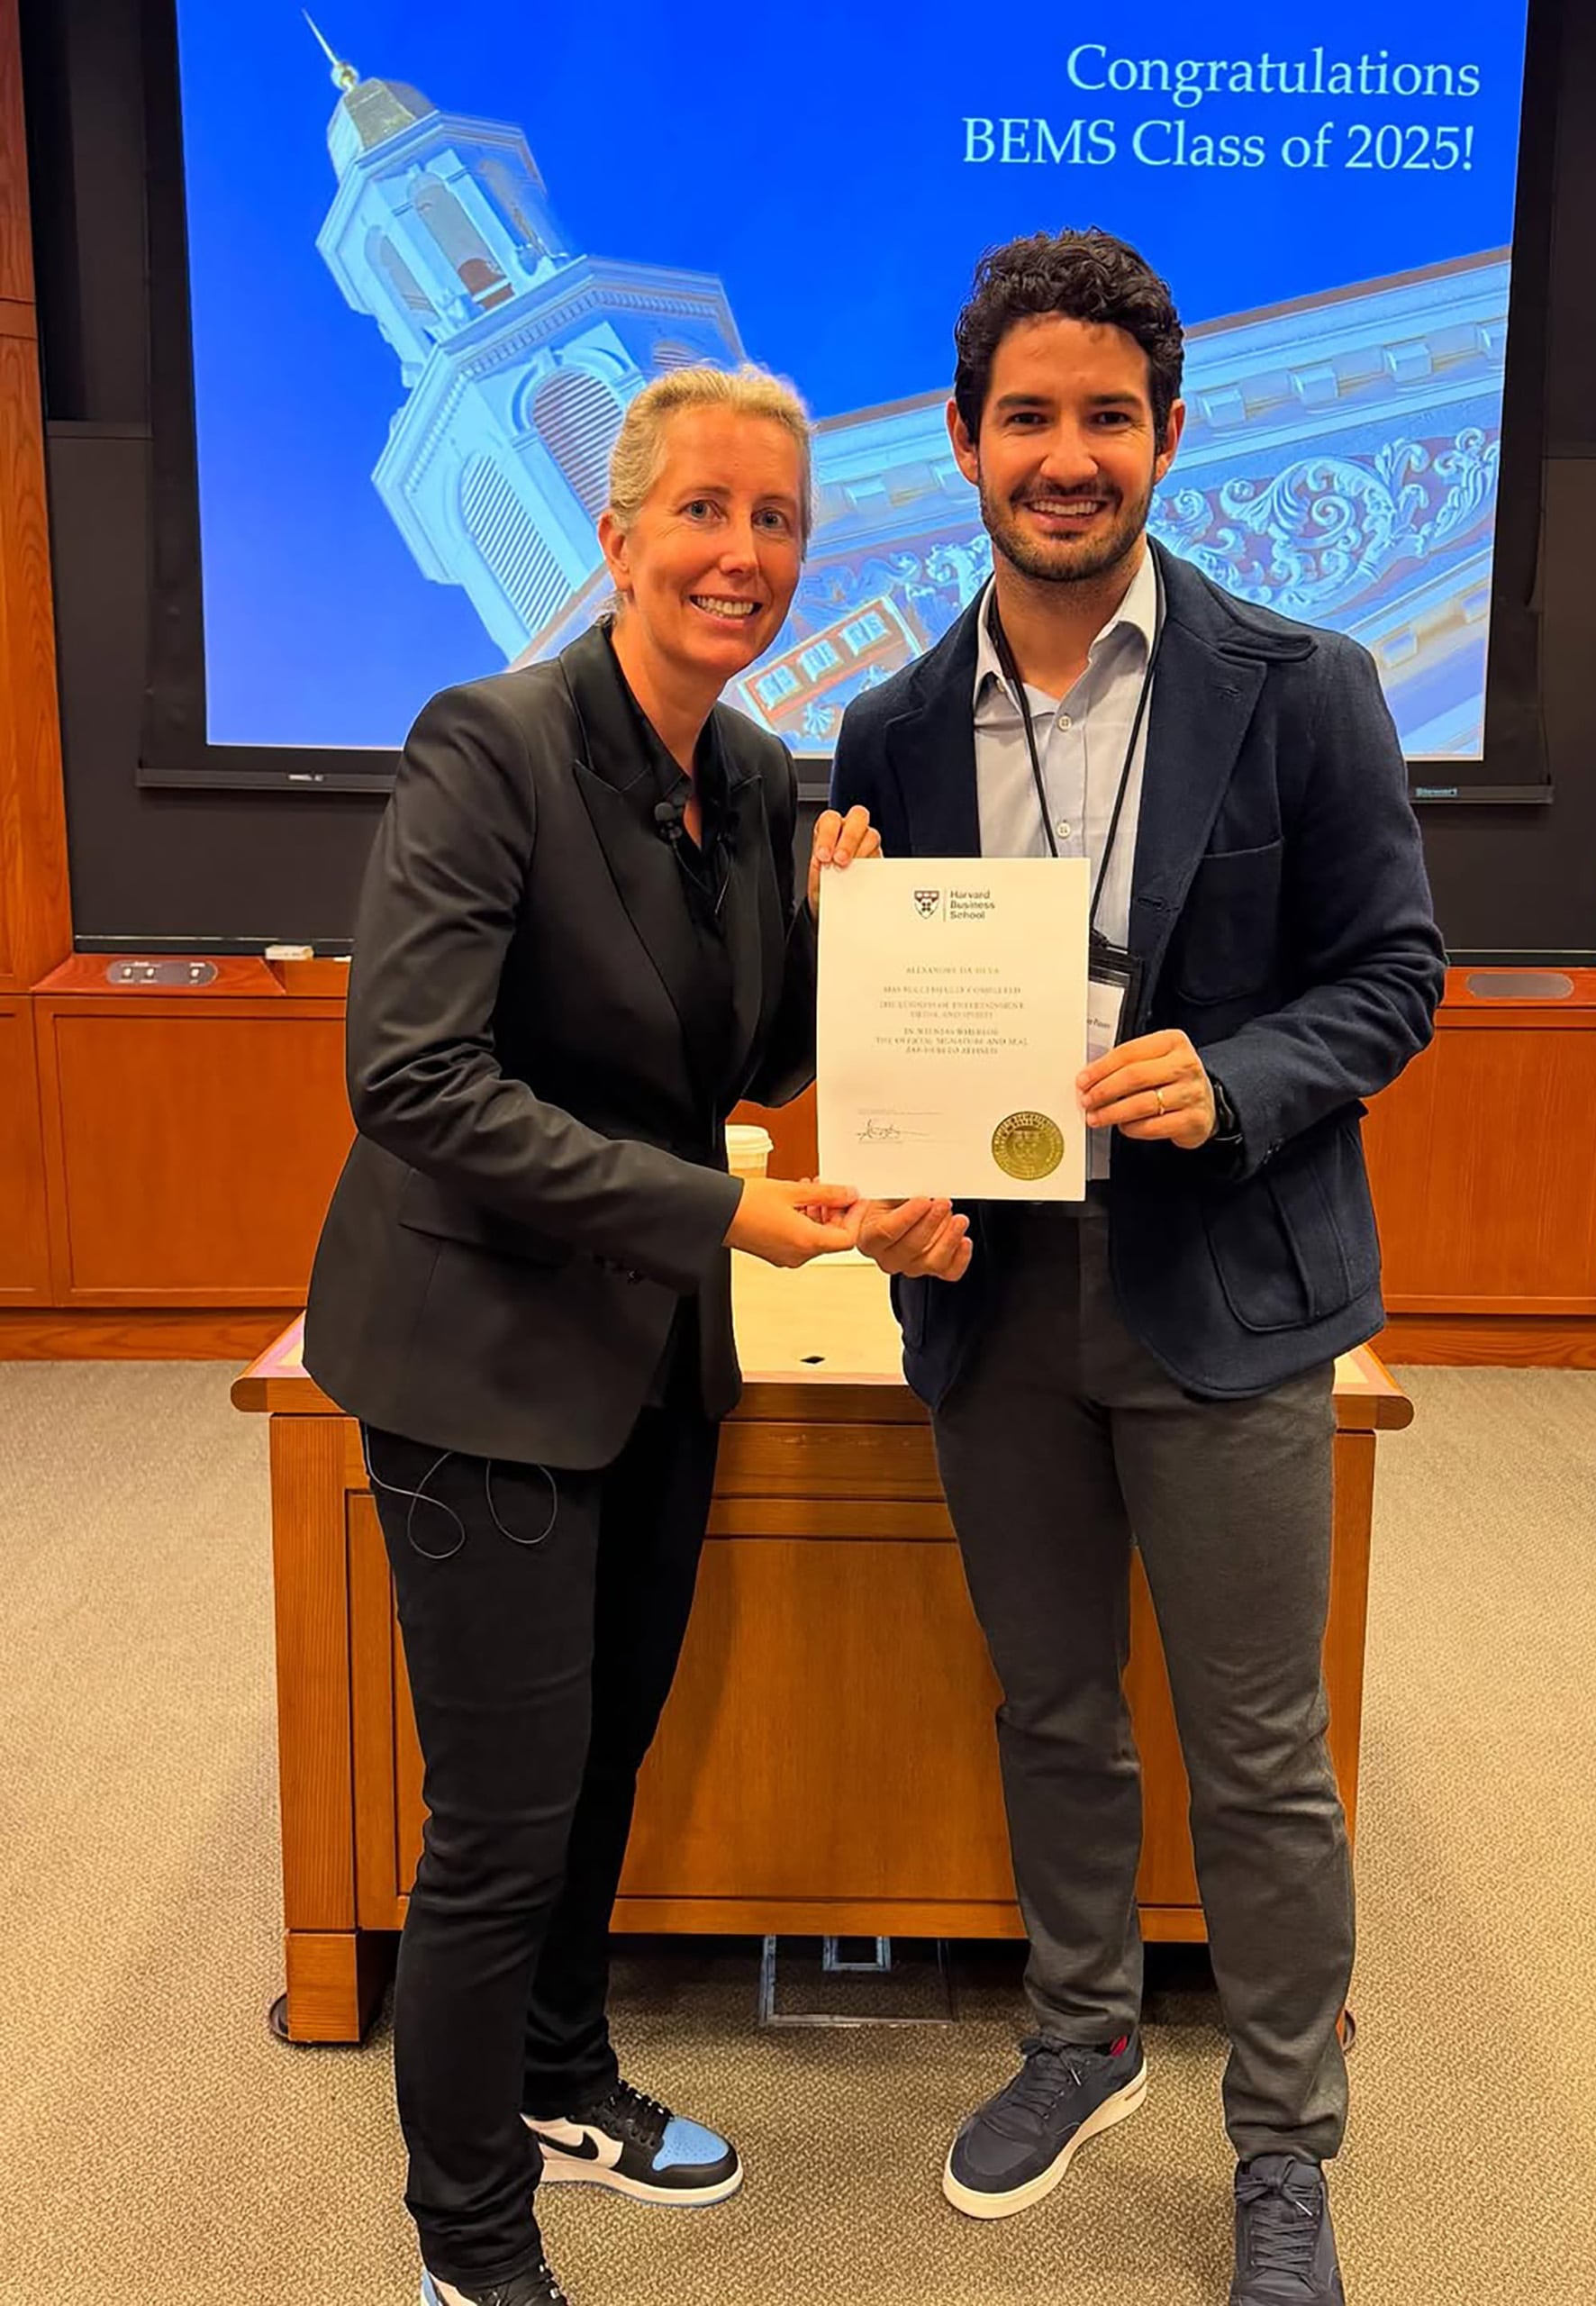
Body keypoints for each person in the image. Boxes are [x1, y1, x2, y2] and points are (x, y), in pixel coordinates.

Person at [832, 231, 1446, 2304]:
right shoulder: (892, 726)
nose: (1067, 456)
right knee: (1054, 1703)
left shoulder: (1308, 684)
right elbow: (885, 1017)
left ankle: (1285, 2140)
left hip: (1232, 1292)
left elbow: (1396, 974)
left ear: (1171, 438)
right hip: (996, 1299)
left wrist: (1248, 1068)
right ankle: (1081, 2031)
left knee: (1258, 1747)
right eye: (1030, 418)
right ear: (964, 445)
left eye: (1107, 416)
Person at [303, 364, 877, 2306]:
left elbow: (738, 1055)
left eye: (778, 521)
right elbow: (413, 1077)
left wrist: (851, 956)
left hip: (647, 1358)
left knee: (606, 1758)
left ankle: (561, 2074)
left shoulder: (748, 775)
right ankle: (470, 2237)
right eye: (708, 512)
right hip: (477, 1362)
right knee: (497, 1819)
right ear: (620, 532)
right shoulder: (494, 741)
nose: (745, 554)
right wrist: (722, 1208)